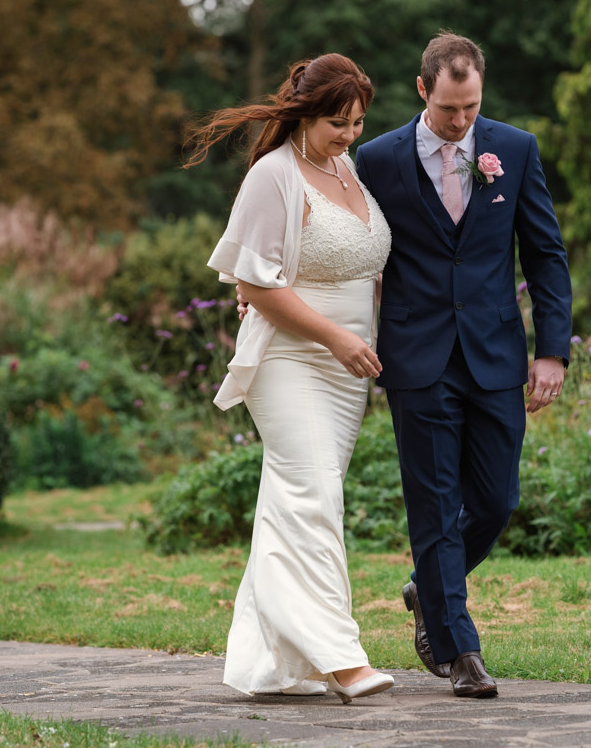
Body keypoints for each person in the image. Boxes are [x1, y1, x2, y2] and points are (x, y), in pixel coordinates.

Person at [354, 32, 572, 698]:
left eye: (471, 107)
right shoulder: (377, 159)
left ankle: (428, 587)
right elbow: (354, 248)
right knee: (435, 504)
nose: (460, 121)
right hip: (416, 356)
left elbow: (545, 254)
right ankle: (460, 650)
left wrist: (551, 349)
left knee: (497, 500)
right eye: (449, 109)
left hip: (496, 352)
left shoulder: (515, 149)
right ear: (423, 90)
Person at [188, 53, 394, 704]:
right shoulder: (273, 175)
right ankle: (341, 659)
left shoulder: (345, 168)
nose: (349, 135)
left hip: (346, 372)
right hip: (290, 360)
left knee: (297, 502)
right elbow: (255, 285)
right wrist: (336, 336)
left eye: (358, 123)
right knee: (313, 497)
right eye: (338, 122)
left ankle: (274, 664)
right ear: (305, 114)